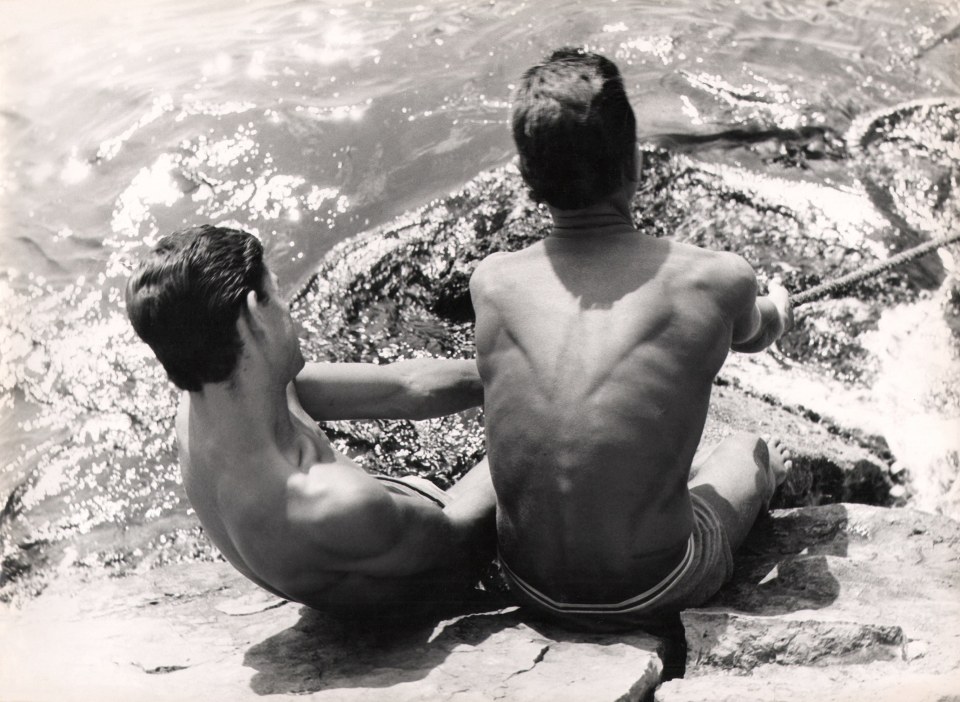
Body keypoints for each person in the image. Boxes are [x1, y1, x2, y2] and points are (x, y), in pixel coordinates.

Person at [468, 48, 794, 632]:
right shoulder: (717, 277)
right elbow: (757, 332)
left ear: (526, 179)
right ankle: (766, 482)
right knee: (747, 449)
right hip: (653, 586)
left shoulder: (491, 281)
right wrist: (780, 306)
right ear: (635, 163)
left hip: (526, 582)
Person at [126, 224, 496, 617]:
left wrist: (513, 366)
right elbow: (460, 539)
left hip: (380, 536)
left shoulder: (208, 402)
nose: (289, 308)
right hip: (435, 574)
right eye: (278, 292)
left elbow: (403, 388)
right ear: (254, 315)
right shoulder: (329, 502)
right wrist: (543, 401)